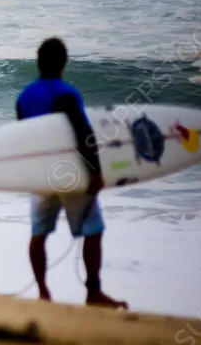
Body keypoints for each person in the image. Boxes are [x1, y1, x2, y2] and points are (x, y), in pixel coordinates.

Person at [15, 37, 127, 309]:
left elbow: (22, 138)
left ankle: (43, 292)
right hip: (70, 173)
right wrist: (96, 173)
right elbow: (83, 134)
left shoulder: (24, 98)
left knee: (38, 234)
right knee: (93, 230)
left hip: (40, 175)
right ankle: (93, 293)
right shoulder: (67, 93)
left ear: (38, 63)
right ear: (63, 64)